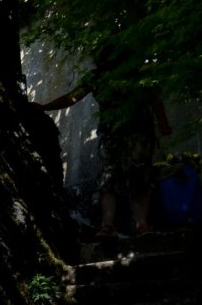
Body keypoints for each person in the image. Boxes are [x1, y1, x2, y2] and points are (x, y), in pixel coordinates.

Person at [38, 73, 172, 238]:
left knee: (138, 178)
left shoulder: (136, 72)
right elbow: (72, 98)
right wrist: (44, 107)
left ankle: (141, 225)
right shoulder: (97, 76)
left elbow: (154, 98)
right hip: (113, 135)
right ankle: (108, 226)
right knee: (109, 179)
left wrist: (163, 123)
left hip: (137, 132)